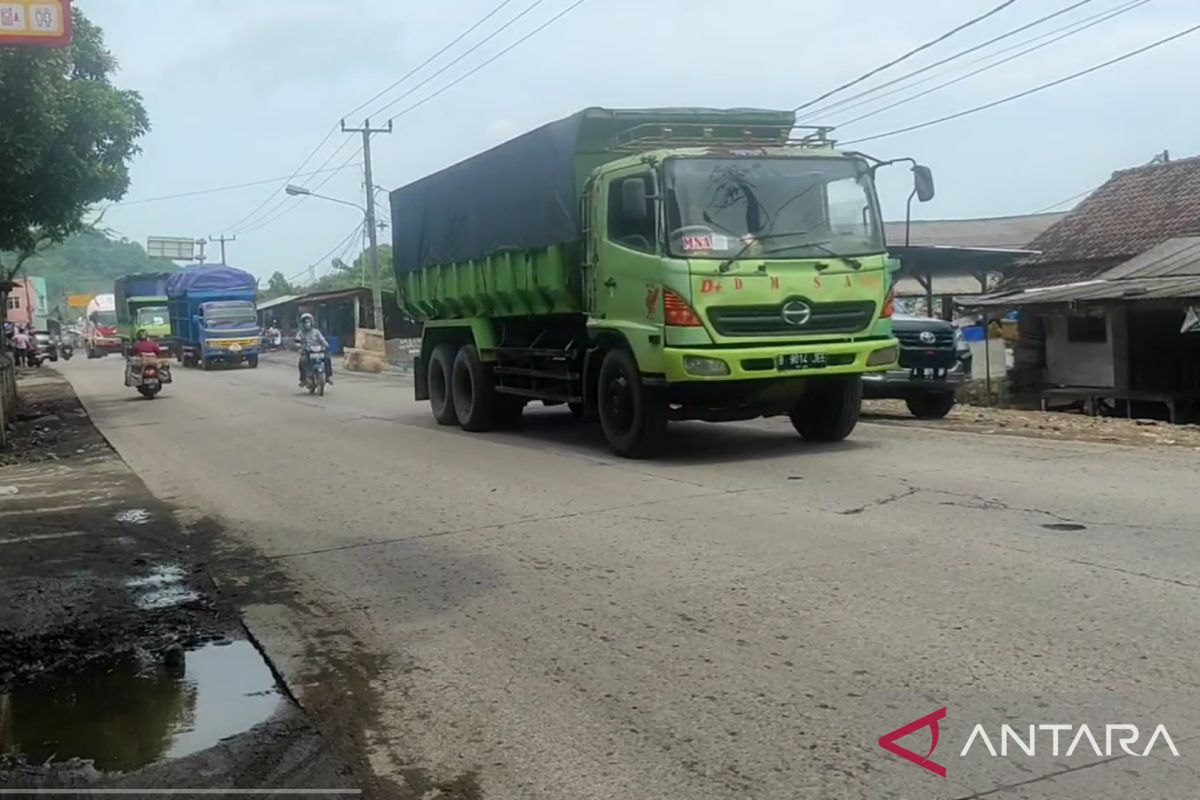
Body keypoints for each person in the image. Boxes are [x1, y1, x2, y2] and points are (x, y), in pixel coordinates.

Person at [294, 313, 332, 385]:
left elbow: (322, 339)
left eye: (308, 322)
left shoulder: (316, 331)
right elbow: (297, 341)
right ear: (302, 323)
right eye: (305, 322)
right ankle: (303, 379)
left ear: (312, 322)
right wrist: (299, 347)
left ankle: (328, 376)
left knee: (327, 358)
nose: (307, 324)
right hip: (306, 351)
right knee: (302, 361)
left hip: (318, 351)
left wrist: (326, 344)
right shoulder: (300, 333)